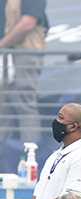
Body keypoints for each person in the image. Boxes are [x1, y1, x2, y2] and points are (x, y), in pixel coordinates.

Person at [0, 0, 49, 152]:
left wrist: (2, 44)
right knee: (4, 106)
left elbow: (28, 22)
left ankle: (29, 157)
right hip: (7, 55)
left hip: (24, 53)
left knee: (24, 101)